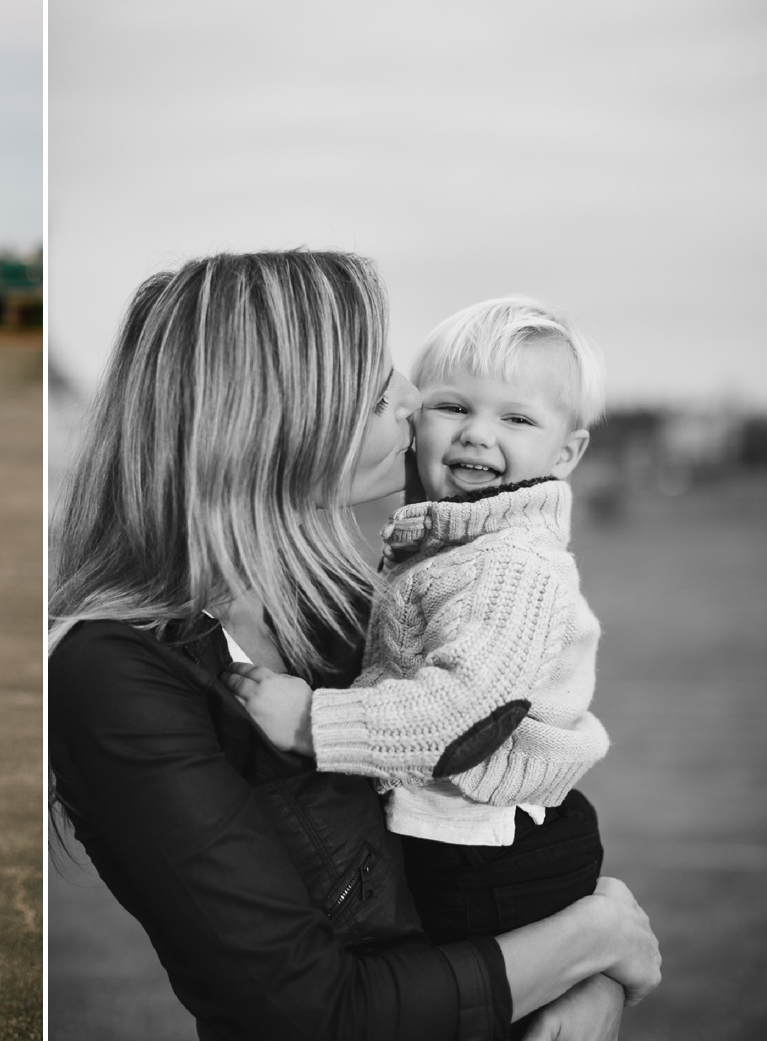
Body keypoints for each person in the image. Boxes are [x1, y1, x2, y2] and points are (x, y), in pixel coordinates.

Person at [49, 252, 660, 1041]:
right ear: (274, 423)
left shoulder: (338, 605)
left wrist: (586, 984)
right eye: (379, 391)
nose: (414, 402)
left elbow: (499, 802)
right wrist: (590, 940)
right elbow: (309, 1012)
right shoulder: (113, 675)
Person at [227, 296, 611, 946]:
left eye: (517, 418)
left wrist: (310, 723)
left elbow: (464, 714)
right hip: (453, 830)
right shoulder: (449, 544)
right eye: (453, 406)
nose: (477, 434)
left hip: (488, 853)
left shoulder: (513, 565)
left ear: (567, 453)